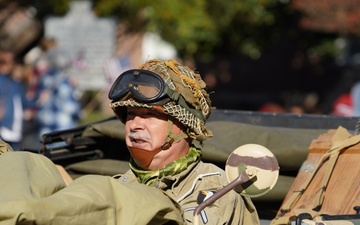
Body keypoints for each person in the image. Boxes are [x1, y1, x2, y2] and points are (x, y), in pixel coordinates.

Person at [108, 59, 260, 224]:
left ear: (184, 124)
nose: (135, 125)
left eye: (150, 114)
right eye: (131, 114)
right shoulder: (113, 189)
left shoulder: (217, 190)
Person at [0, 49, 27, 150]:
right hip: (3, 129)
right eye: (6, 62)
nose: (11, 65)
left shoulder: (14, 83)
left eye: (13, 62)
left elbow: (24, 102)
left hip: (15, 130)